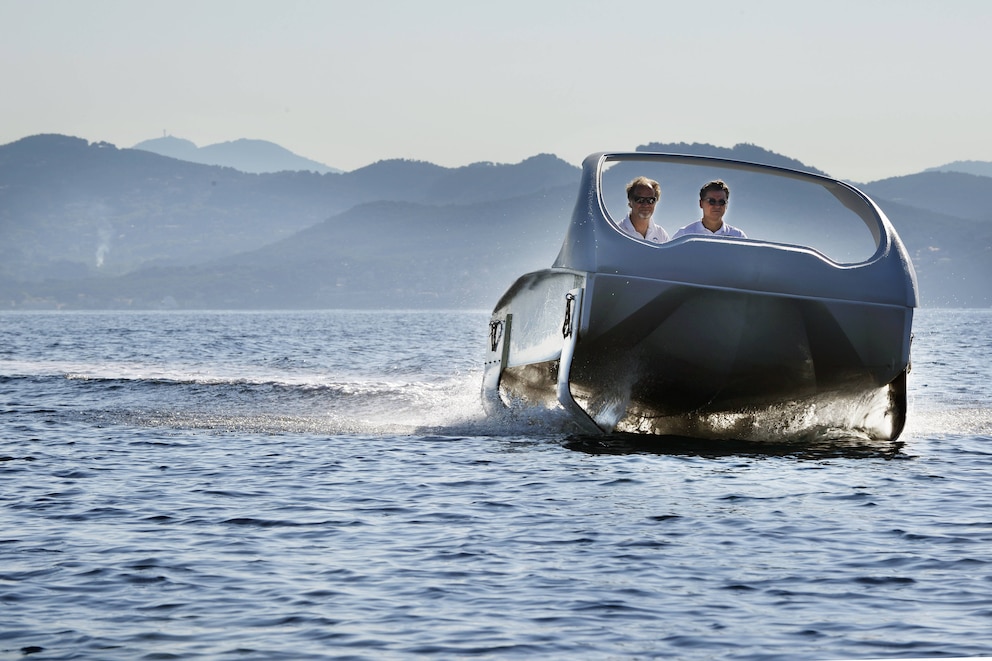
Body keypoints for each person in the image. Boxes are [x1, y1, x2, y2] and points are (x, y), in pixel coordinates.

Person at [672, 179, 747, 239]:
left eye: (721, 202)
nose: (717, 206)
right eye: (712, 201)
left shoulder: (738, 236)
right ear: (701, 204)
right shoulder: (684, 235)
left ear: (726, 205)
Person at [618, 176, 670, 243]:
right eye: (640, 199)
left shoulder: (661, 235)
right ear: (630, 202)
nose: (645, 204)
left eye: (651, 200)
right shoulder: (616, 232)